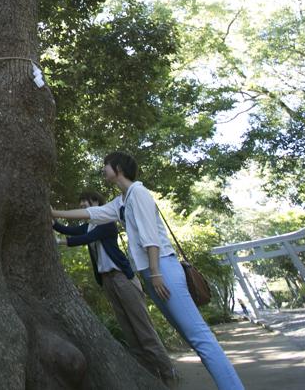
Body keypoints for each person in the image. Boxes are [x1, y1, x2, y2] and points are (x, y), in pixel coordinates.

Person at [53, 152, 244, 390]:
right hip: (152, 272)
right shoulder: (122, 200)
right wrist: (54, 214)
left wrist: (155, 274)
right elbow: (92, 214)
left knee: (200, 338)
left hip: (162, 269)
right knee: (192, 338)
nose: (103, 169)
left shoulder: (139, 193)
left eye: (106, 165)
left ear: (119, 168)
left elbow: (150, 238)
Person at [53, 190, 177, 387]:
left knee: (143, 330)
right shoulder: (90, 225)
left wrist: (58, 241)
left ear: (97, 204)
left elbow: (82, 239)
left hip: (122, 279)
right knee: (129, 331)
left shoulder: (105, 224)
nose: (85, 207)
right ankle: (149, 376)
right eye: (82, 205)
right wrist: (51, 220)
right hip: (108, 281)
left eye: (88, 204)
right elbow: (71, 231)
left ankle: (169, 375)